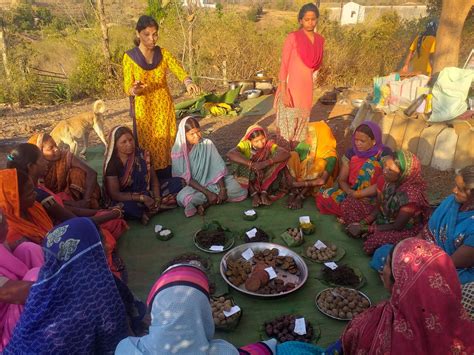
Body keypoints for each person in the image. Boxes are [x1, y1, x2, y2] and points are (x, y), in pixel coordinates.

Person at [4, 217, 128, 354]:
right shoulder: (99, 295)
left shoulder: (41, 303)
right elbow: (115, 344)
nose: (107, 246)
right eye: (102, 243)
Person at [6, 143, 128, 277]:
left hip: (58, 234)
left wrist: (94, 208)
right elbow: (72, 221)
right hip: (52, 255)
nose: (46, 161)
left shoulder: (34, 202)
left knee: (105, 227)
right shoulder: (15, 233)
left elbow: (66, 210)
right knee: (104, 233)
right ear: (31, 167)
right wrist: (112, 214)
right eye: (41, 159)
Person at [341, 238, 473, 354]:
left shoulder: (373, 323)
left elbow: (348, 341)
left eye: (387, 265)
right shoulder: (464, 333)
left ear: (399, 284)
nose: (382, 270)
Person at [115, 262, 277, 354]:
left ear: (157, 305)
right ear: (203, 311)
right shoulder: (224, 351)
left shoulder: (126, 348)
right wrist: (270, 346)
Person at [123, 15, 200, 178]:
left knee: (167, 141)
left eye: (155, 34)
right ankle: (150, 180)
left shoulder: (163, 53)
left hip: (164, 107)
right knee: (147, 144)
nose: (152, 38)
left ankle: (171, 175)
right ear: (138, 34)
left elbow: (178, 69)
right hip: (144, 109)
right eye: (147, 34)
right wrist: (135, 90)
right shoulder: (129, 57)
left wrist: (188, 82)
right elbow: (127, 87)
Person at [346, 150, 429, 255]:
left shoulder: (410, 196)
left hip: (402, 229)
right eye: (385, 166)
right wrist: (363, 223)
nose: (384, 171)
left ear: (403, 174)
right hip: (383, 218)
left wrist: (366, 228)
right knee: (349, 203)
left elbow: (397, 226)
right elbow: (378, 208)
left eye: (390, 170)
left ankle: (366, 235)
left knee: (374, 241)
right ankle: (362, 231)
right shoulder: (385, 181)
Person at [104, 126, 184, 225]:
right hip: (128, 198)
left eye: (130, 140)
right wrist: (142, 198)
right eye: (123, 142)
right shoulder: (112, 164)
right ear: (115, 145)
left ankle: (151, 211)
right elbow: (115, 194)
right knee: (125, 208)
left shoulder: (143, 154)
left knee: (180, 182)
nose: (129, 144)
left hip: (148, 192)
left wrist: (157, 198)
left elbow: (154, 180)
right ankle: (158, 207)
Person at [422, 165, 474, 316]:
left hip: (456, 269)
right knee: (387, 253)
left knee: (428, 282)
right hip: (432, 253)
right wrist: (411, 246)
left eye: (460, 189)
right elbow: (427, 229)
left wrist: (419, 262)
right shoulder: (452, 202)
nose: (454, 190)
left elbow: (450, 263)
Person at [317, 121, 392, 223]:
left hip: (372, 198)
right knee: (323, 195)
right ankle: (352, 213)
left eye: (362, 141)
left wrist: (359, 194)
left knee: (371, 165)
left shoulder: (383, 154)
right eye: (356, 140)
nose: (358, 144)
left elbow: (384, 182)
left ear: (374, 141)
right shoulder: (352, 152)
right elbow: (342, 179)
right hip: (351, 193)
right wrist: (350, 192)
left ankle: (352, 214)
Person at [172, 116, 247, 217]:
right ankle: (210, 199)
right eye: (192, 134)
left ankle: (206, 203)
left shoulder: (207, 144)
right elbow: (187, 179)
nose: (197, 136)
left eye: (198, 131)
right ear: (184, 135)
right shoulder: (178, 151)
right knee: (182, 197)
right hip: (195, 187)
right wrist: (207, 193)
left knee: (240, 187)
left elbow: (218, 168)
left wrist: (223, 189)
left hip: (214, 183)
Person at [274, 3, 324, 149]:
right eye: (306, 19)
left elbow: (316, 66)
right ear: (300, 20)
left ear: (317, 20)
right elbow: (284, 65)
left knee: (302, 128)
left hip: (306, 89)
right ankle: (281, 164)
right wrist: (284, 92)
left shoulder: (320, 40)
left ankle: (296, 162)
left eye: (313, 19)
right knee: (286, 129)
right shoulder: (293, 38)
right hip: (290, 89)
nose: (310, 22)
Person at [0, 208, 44, 351]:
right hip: (6, 339)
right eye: (2, 219)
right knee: (35, 276)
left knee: (28, 249)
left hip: (10, 310)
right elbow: (12, 292)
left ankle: (51, 307)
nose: (7, 222)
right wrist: (67, 282)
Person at [28, 133, 101, 209]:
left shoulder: (65, 157)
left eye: (56, 145)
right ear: (40, 153)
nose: (56, 149)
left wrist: (86, 200)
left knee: (78, 173)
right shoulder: (34, 168)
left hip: (76, 197)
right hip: (53, 201)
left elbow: (92, 173)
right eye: (51, 148)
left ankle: (85, 205)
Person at [227, 125, 290, 207]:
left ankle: (264, 192)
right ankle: (254, 194)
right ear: (250, 141)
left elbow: (285, 153)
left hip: (264, 172)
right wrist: (251, 164)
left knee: (280, 159)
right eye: (256, 141)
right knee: (238, 163)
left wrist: (265, 163)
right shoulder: (245, 145)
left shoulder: (269, 144)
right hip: (250, 175)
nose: (261, 143)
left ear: (265, 136)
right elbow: (230, 154)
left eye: (262, 139)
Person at [286, 121, 337, 209]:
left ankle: (301, 195)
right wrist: (292, 182)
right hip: (299, 179)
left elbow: (322, 181)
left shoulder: (330, 155)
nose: (306, 138)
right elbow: (291, 160)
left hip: (317, 184)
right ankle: (294, 192)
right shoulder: (305, 144)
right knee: (292, 155)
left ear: (318, 138)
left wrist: (300, 184)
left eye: (309, 136)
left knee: (320, 163)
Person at [0, 169, 53, 247]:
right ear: (14, 201)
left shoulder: (34, 208)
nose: (35, 194)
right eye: (30, 194)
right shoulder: (10, 232)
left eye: (33, 190)